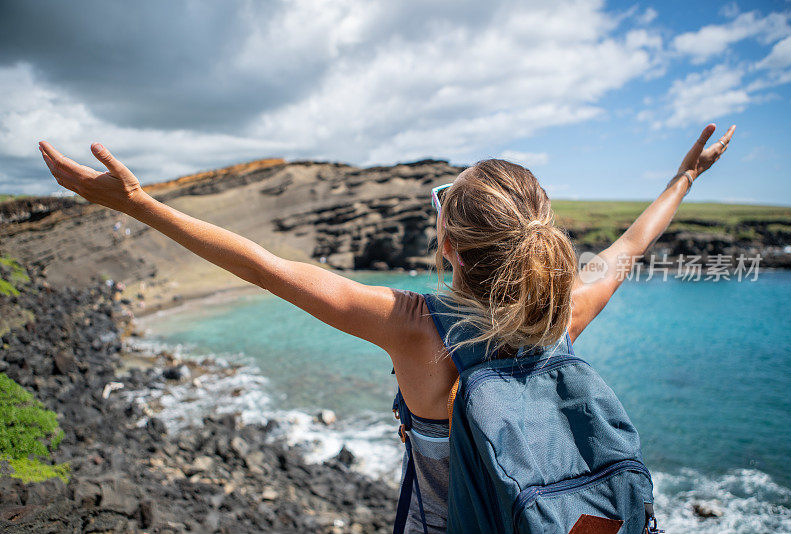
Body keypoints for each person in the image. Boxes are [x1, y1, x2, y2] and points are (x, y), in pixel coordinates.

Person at [38, 123, 735, 532]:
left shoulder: (414, 328)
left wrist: (139, 205)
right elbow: (626, 251)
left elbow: (261, 266)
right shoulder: (560, 315)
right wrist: (683, 179)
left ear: (449, 249)